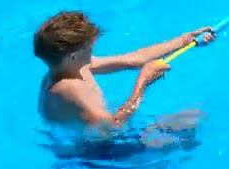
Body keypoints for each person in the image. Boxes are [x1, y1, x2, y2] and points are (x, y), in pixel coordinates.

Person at [35, 10, 216, 128]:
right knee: (194, 123)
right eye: (88, 44)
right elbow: (112, 129)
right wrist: (143, 82)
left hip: (101, 140)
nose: (93, 45)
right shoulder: (69, 89)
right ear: (73, 55)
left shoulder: (72, 67)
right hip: (96, 156)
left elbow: (134, 59)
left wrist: (185, 40)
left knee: (192, 119)